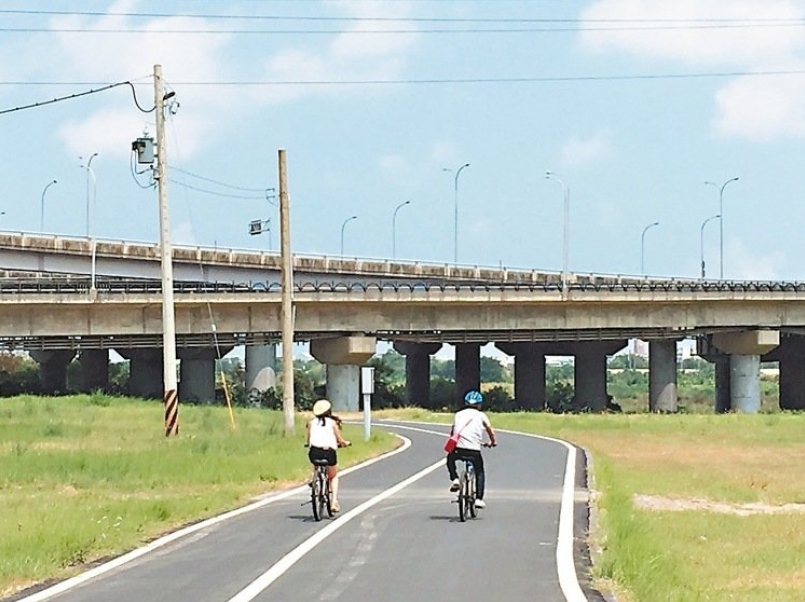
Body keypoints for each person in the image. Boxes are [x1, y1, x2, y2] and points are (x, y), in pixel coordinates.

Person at [446, 389, 497, 508]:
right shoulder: (481, 415)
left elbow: (453, 432)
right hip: (474, 450)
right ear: (479, 404)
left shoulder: (458, 414)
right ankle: (479, 499)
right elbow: (490, 431)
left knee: (450, 459)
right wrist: (493, 442)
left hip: (458, 448)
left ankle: (455, 479)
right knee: (479, 472)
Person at [305, 399, 350, 513]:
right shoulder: (332, 423)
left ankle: (313, 478)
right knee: (333, 476)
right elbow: (339, 439)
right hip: (329, 452)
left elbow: (309, 440)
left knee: (315, 462)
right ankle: (333, 501)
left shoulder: (311, 423)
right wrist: (344, 443)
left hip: (314, 451)